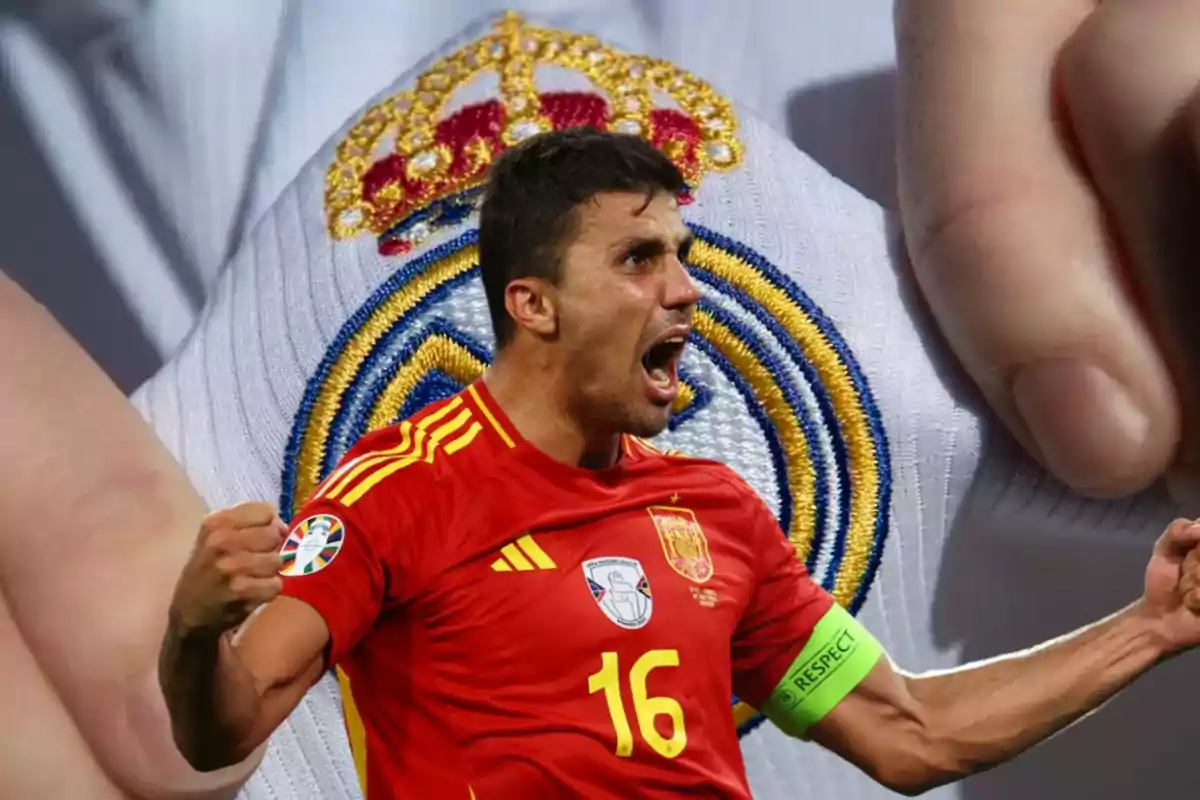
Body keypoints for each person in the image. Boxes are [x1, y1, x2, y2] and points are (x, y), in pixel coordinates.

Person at [159, 129, 1200, 800]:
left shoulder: (714, 508)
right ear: (533, 303)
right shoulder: (399, 489)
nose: (685, 289)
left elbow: (909, 730)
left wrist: (1153, 625)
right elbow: (230, 721)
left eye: (684, 256)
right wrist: (195, 629)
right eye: (639, 258)